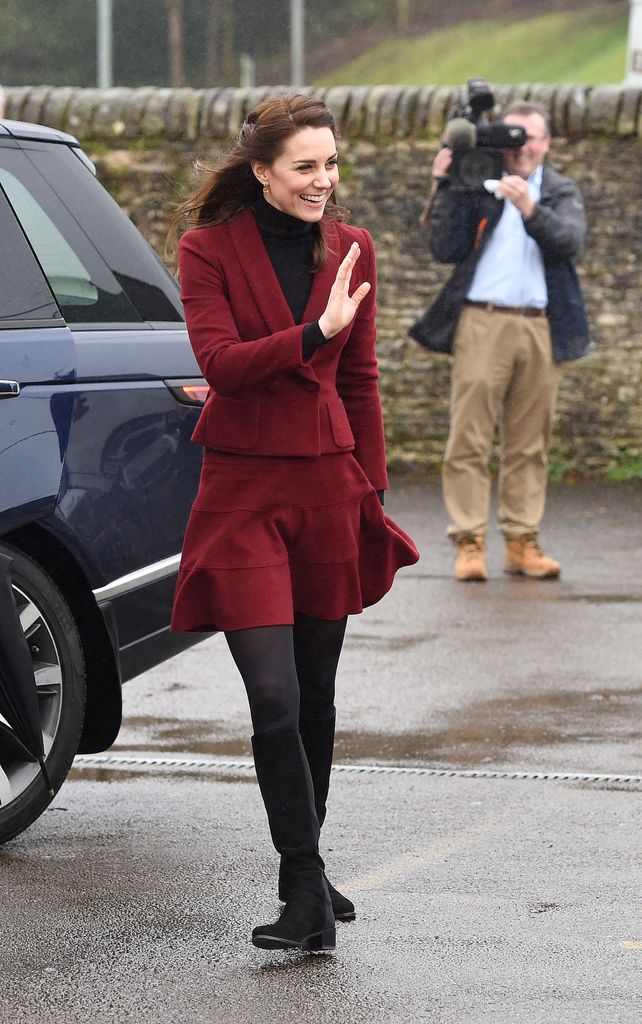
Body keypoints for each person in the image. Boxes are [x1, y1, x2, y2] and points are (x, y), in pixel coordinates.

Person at [168, 93, 419, 952]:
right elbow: (222, 367)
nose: (324, 181)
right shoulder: (206, 251)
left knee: (315, 696)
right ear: (263, 172)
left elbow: (363, 381)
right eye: (306, 166)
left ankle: (302, 878)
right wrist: (316, 329)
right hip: (241, 492)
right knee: (272, 697)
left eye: (332, 163)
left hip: (326, 490)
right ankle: (306, 881)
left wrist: (371, 494)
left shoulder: (352, 248)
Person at [411, 100, 589, 581]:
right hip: (482, 321)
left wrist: (530, 209)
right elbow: (444, 248)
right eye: (516, 136)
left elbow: (570, 240)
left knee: (530, 443)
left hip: (539, 324)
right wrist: (443, 183)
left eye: (533, 137)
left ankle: (521, 541)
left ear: (547, 143)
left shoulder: (558, 190)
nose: (524, 146)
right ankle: (469, 541)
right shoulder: (477, 183)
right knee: (468, 437)